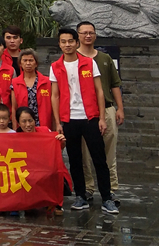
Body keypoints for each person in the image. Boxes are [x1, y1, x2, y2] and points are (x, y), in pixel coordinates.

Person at [50, 27, 116, 213]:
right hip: (69, 119)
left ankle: (106, 198)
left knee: (99, 159)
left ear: (76, 43)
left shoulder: (88, 63)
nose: (67, 45)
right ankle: (80, 196)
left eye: (70, 41)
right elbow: (54, 95)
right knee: (75, 159)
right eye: (63, 42)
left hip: (91, 117)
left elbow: (100, 91)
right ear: (59, 44)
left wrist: (102, 118)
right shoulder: (55, 66)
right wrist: (57, 122)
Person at [77, 21, 124, 203]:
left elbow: (115, 85)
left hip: (108, 109)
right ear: (78, 36)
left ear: (95, 35)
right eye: (84, 33)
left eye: (91, 33)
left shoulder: (104, 59)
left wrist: (120, 108)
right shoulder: (72, 59)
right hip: (83, 113)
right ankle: (88, 188)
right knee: (84, 154)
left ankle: (111, 189)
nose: (88, 36)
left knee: (109, 152)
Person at [11, 48, 51, 130]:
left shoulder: (47, 81)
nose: (28, 63)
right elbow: (14, 108)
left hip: (43, 124)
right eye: (25, 60)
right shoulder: (15, 83)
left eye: (31, 60)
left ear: (36, 63)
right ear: (20, 64)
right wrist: (15, 128)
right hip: (24, 125)